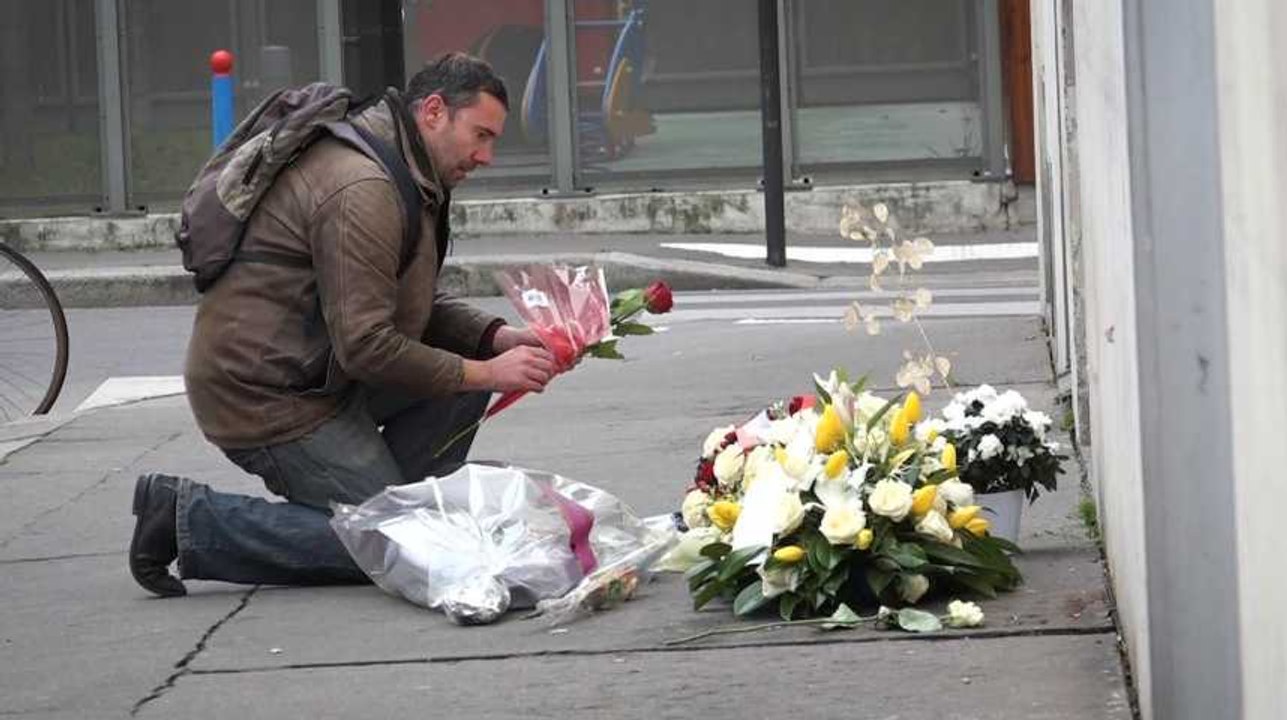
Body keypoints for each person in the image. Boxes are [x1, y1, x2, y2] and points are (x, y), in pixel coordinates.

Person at [128, 53, 558, 597]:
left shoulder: (407, 170)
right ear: (432, 112)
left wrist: (495, 339)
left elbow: (404, 301)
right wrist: (485, 371)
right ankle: (188, 517)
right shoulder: (364, 186)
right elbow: (367, 344)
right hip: (266, 393)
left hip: (320, 373)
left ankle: (401, 503)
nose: (487, 156)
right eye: (480, 135)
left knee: (466, 389)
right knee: (395, 544)